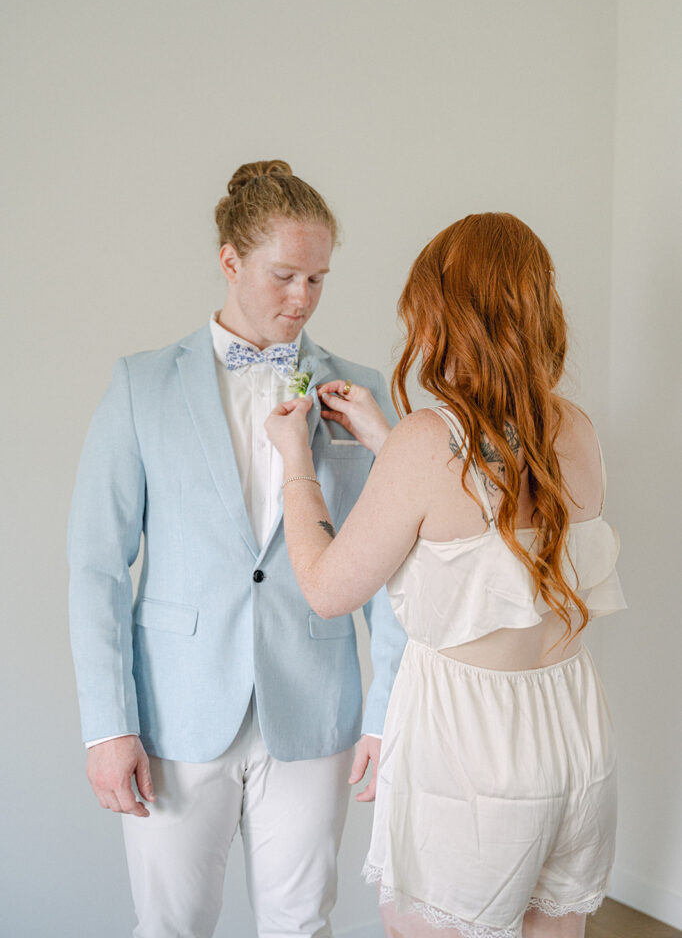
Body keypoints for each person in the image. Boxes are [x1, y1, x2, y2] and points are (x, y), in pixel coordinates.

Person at [68, 160, 406, 938]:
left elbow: (392, 570)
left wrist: (388, 715)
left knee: (302, 924)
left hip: (315, 706)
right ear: (229, 261)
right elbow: (96, 568)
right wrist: (106, 724)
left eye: (318, 279)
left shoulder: (357, 393)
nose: (303, 298)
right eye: (285, 274)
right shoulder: (141, 386)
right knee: (170, 926)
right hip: (173, 712)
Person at [265, 211, 626, 938]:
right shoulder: (576, 430)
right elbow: (480, 525)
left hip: (469, 753)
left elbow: (328, 589)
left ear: (442, 315)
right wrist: (383, 438)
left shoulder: (429, 443)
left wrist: (295, 463)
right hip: (572, 737)